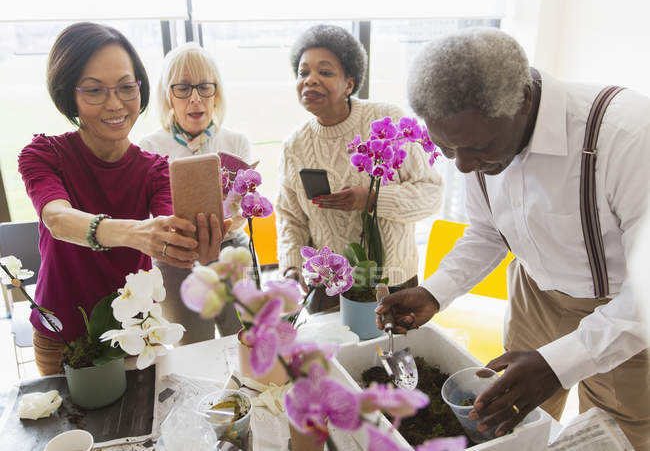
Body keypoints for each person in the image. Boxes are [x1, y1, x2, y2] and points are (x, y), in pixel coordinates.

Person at [376, 27, 650, 449]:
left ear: (522, 101)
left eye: (477, 148)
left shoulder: (627, 135)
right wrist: (434, 291)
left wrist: (558, 363)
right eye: (449, 151)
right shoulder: (471, 141)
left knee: (619, 432)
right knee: (514, 422)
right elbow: (488, 232)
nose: (465, 167)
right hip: (535, 298)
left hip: (624, 312)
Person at [18, 23, 224, 376]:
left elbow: (170, 237)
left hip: (138, 331)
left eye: (127, 87)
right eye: (95, 91)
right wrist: (134, 233)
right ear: (70, 95)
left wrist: (195, 243)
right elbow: (57, 218)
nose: (116, 104)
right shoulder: (44, 155)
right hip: (60, 335)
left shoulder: (157, 170)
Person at [276, 24, 442, 312]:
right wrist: (291, 266)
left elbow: (431, 194)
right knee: (331, 357)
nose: (310, 80)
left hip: (392, 283)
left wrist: (373, 199)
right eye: (304, 72)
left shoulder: (386, 120)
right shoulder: (294, 146)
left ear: (349, 84)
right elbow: (291, 217)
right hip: (328, 287)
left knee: (390, 355)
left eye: (325, 72)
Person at [139, 42, 253, 342]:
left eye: (205, 87)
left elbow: (245, 212)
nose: (195, 99)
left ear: (217, 94)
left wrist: (235, 217)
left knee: (246, 337)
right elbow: (147, 220)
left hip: (230, 248)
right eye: (183, 88)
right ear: (168, 95)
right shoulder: (149, 148)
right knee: (194, 347)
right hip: (176, 258)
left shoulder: (237, 142)